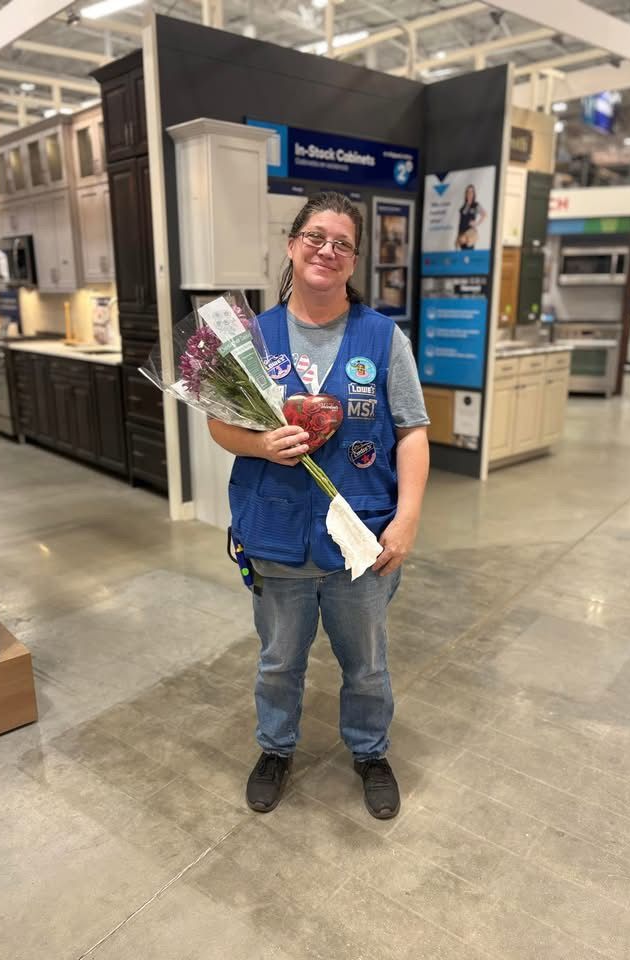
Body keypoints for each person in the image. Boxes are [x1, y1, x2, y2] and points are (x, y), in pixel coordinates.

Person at [208, 191, 430, 820]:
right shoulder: (251, 339)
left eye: (341, 244)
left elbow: (412, 431)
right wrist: (260, 442)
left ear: (353, 259)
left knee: (366, 664)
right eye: (315, 237)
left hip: (361, 538)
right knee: (279, 660)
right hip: (275, 530)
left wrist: (407, 518)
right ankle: (275, 749)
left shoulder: (383, 339)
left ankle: (369, 752)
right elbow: (219, 427)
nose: (326, 251)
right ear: (292, 244)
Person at [456, 184, 487, 250]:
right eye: (468, 192)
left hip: (469, 233)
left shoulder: (475, 205)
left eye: (471, 192)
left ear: (473, 194)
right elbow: (461, 220)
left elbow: (484, 214)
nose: (469, 193)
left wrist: (477, 223)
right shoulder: (464, 205)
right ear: (466, 194)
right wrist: (458, 236)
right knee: (462, 254)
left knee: (468, 254)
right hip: (461, 233)